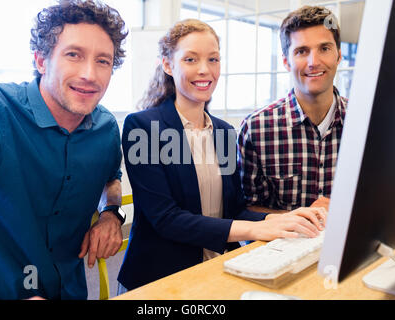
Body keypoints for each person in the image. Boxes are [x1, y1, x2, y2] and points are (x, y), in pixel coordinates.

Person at [117, 19, 327, 292]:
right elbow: (165, 219)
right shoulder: (142, 127)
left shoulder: (225, 132)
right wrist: (255, 230)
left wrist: (282, 219)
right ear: (168, 65)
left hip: (216, 270)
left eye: (213, 59)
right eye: (191, 59)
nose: (205, 70)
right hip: (159, 280)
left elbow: (234, 210)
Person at [0, 0, 128, 300]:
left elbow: (110, 178)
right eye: (73, 55)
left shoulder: (106, 129)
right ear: (40, 60)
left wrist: (111, 214)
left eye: (103, 61)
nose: (90, 74)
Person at [238, 6, 347, 213]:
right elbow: (249, 209)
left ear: (338, 56)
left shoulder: (368, 124)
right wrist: (301, 218)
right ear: (286, 61)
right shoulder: (256, 129)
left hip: (355, 243)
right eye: (302, 51)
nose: (314, 62)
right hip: (284, 244)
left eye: (324, 48)